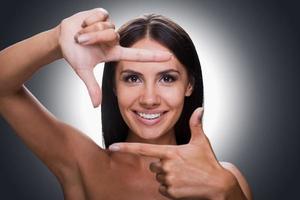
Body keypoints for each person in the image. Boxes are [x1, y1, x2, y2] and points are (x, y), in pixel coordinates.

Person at [0, 8, 252, 200]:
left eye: (167, 78)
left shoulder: (226, 179)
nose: (149, 99)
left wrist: (228, 192)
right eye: (132, 78)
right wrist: (56, 40)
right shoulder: (84, 164)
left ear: (189, 85)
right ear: (114, 86)